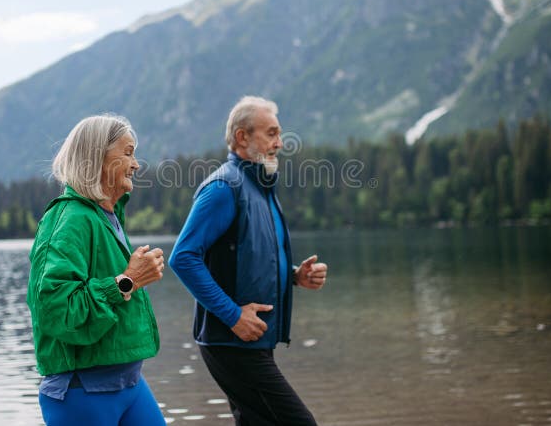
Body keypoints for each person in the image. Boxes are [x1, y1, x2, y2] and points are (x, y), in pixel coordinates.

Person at [169, 96, 328, 426]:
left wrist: (296, 275)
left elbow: (252, 255)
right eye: (271, 133)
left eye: (279, 134)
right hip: (231, 340)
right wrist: (233, 315)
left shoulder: (261, 187)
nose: (279, 143)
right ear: (242, 137)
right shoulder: (224, 187)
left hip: (251, 338)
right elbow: (183, 257)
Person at [26, 114, 166, 426]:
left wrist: (130, 280)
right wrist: (128, 281)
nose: (136, 164)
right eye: (128, 153)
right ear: (96, 159)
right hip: (81, 392)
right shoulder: (70, 219)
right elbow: (56, 310)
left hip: (128, 382)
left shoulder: (106, 216)